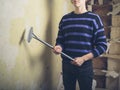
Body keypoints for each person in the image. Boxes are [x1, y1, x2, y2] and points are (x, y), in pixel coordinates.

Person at [53, 0, 107, 90]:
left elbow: (102, 46)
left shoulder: (94, 18)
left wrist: (83, 58)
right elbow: (60, 40)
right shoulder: (65, 19)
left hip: (85, 66)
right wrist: (59, 47)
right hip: (67, 65)